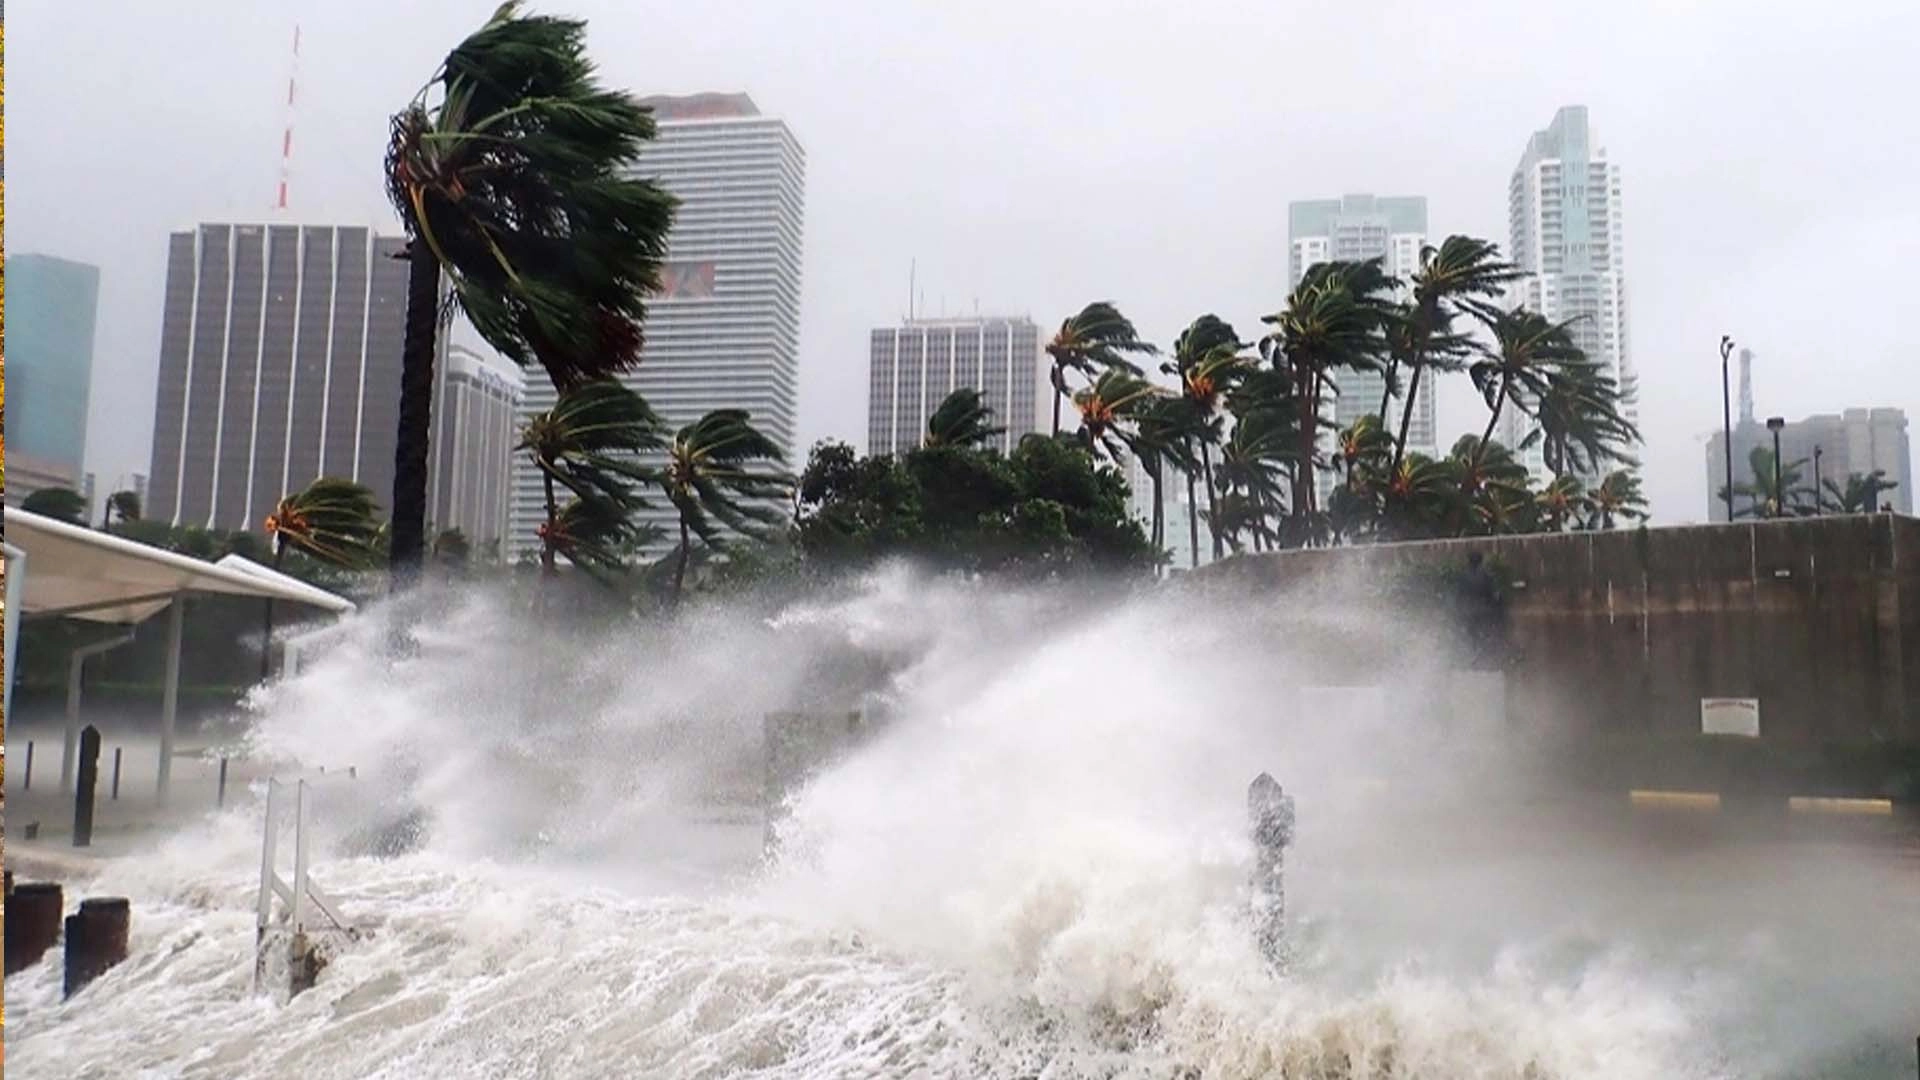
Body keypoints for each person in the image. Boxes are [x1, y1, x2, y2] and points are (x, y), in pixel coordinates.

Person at [1247, 772, 1294, 970]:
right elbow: (1287, 837)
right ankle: (1270, 968)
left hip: (1267, 878)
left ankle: (1267, 967)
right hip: (1270, 878)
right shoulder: (1281, 810)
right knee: (1270, 924)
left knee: (1266, 924)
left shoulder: (1265, 818)